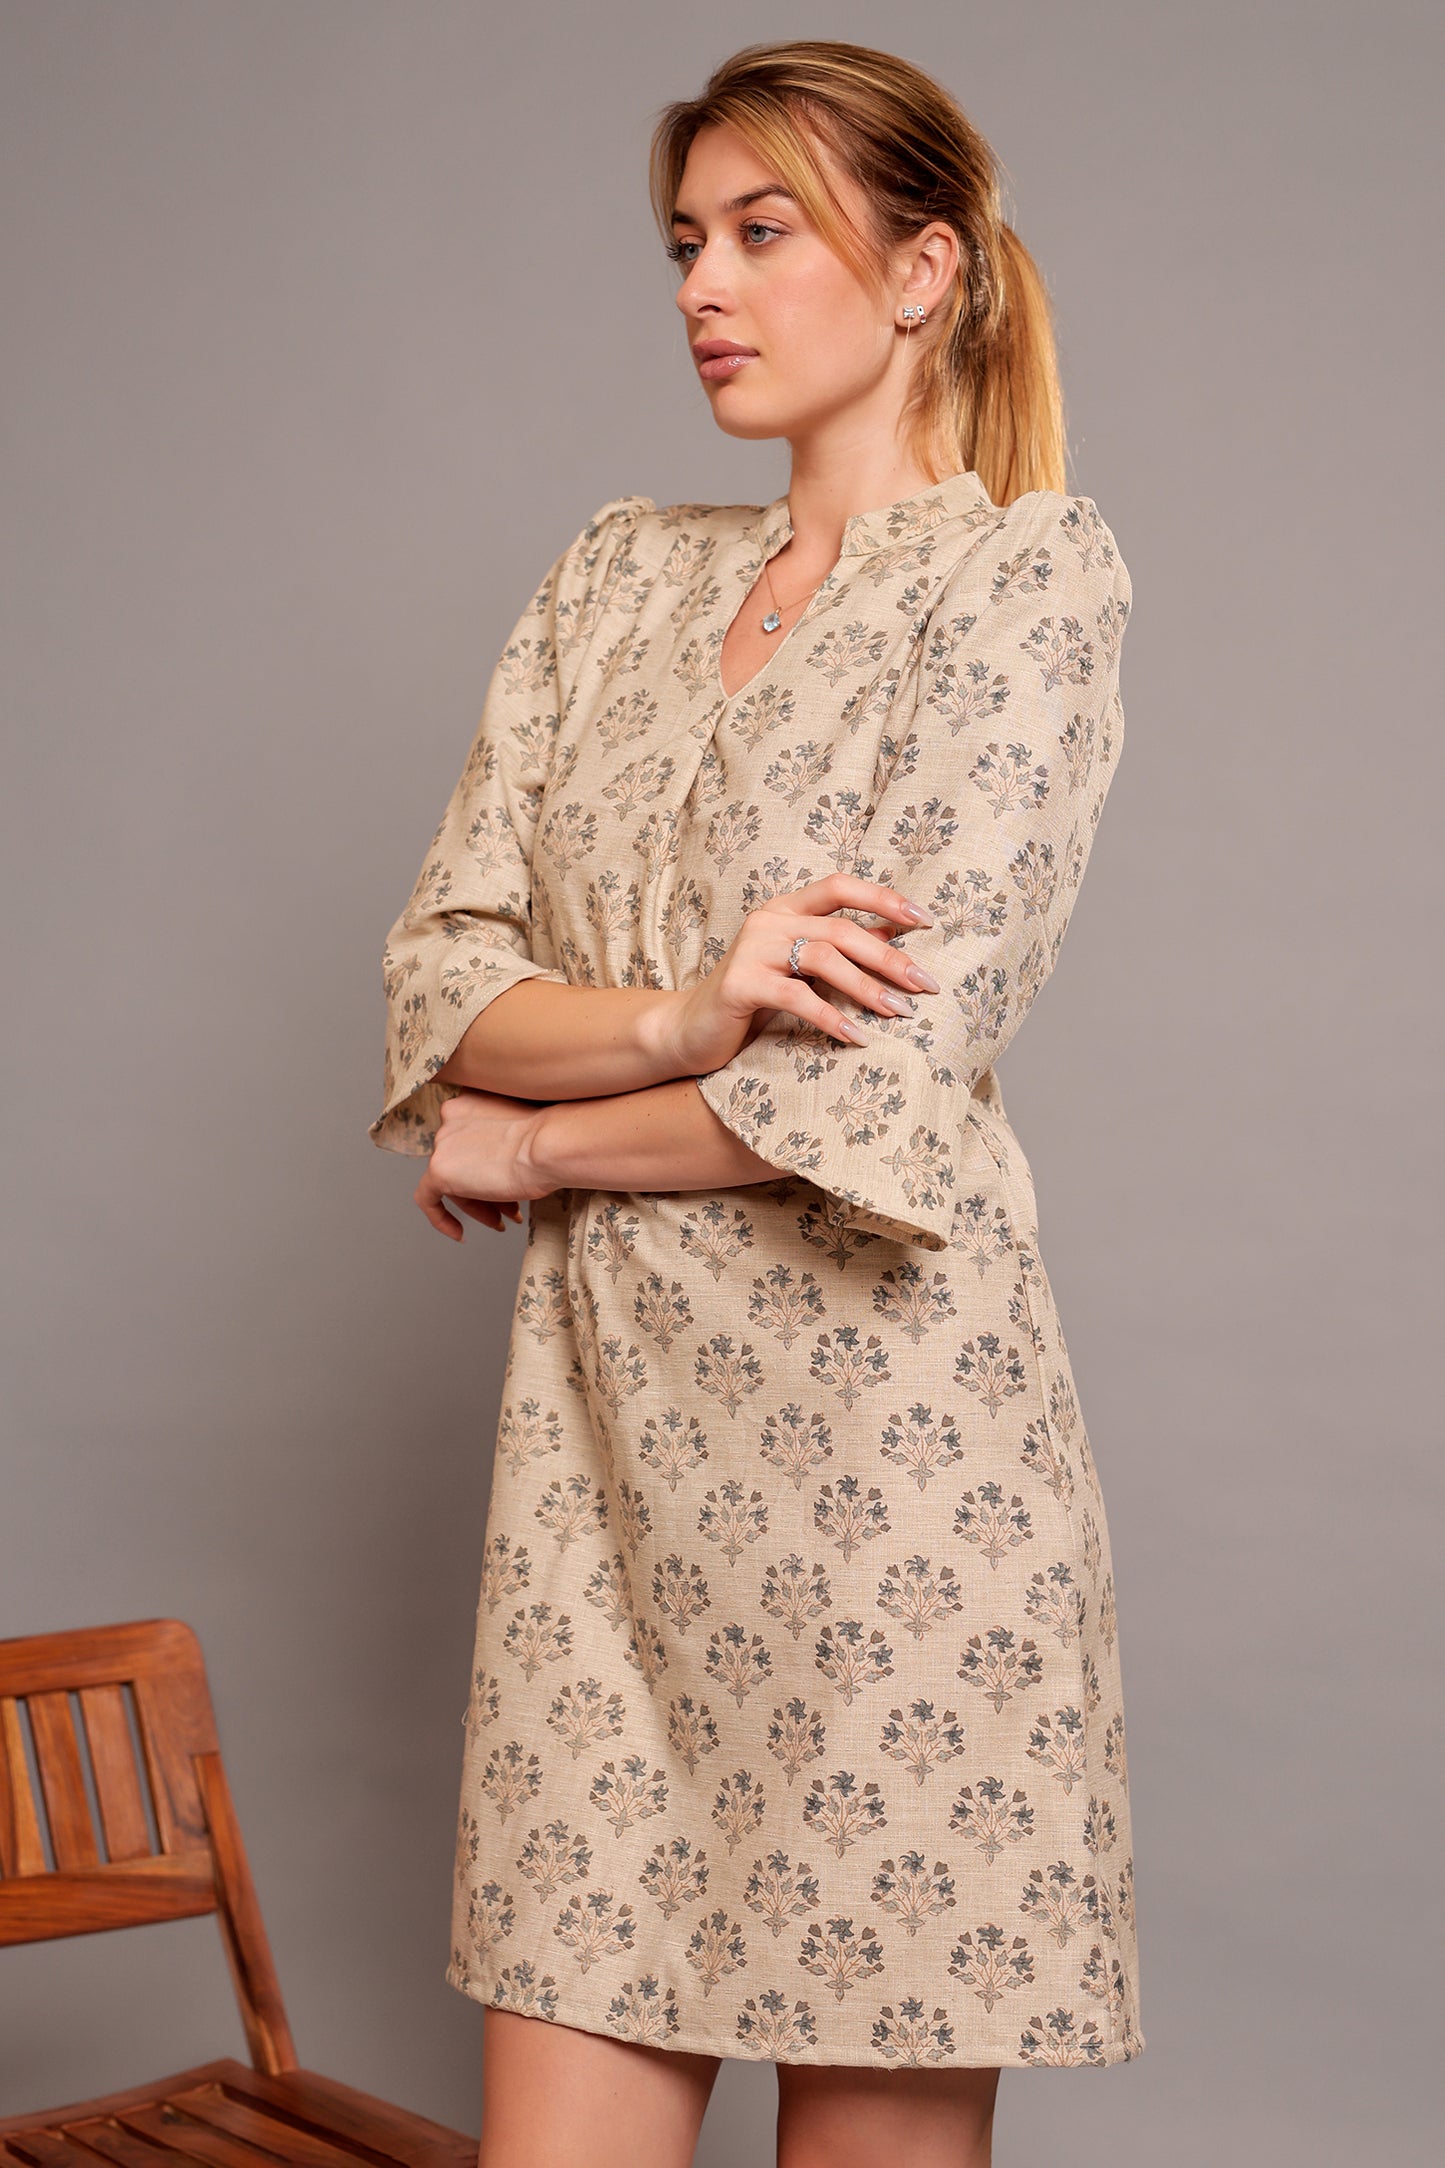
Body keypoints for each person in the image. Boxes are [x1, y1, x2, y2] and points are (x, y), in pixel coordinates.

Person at [369, 38, 1144, 2168]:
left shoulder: (1022, 586)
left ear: (923, 275)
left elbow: (868, 1116)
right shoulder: (611, 576)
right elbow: (442, 983)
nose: (704, 282)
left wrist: (530, 1138)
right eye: (685, 241)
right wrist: (683, 1021)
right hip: (599, 1510)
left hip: (897, 1514)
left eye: (762, 229)